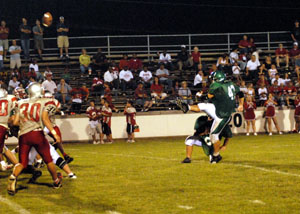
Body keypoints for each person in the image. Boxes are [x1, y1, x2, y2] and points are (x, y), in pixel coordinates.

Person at [177, 70, 244, 164]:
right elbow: (240, 94)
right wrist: (241, 104)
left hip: (221, 116)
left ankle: (216, 155)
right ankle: (187, 107)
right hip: (220, 109)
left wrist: (200, 95)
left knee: (213, 136)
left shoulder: (216, 85)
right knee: (204, 106)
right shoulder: (230, 84)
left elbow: (208, 97)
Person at [7, 83, 62, 195]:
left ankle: (13, 176)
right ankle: (56, 181)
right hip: (37, 133)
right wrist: (54, 133)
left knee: (22, 163)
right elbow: (45, 118)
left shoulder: (20, 102)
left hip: (23, 135)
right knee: (48, 160)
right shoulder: (44, 101)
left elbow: (16, 122)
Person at [0, 89, 17, 171]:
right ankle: (17, 165)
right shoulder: (10, 98)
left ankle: (3, 164)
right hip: (5, 126)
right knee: (3, 147)